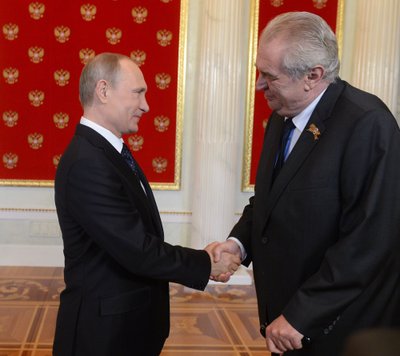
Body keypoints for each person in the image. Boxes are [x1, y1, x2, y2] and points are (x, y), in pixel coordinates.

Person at [211, 11, 400, 356]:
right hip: (286, 318)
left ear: (313, 76)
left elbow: (369, 241)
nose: (259, 86)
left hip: (338, 326)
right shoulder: (282, 118)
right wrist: (238, 244)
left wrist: (302, 314)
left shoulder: (367, 125)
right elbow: (269, 199)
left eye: (270, 76)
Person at [53, 52, 240, 356]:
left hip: (125, 327)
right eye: (138, 92)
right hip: (102, 336)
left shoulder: (105, 153)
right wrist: (206, 263)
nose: (146, 105)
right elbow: (137, 249)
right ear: (103, 91)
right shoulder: (88, 161)